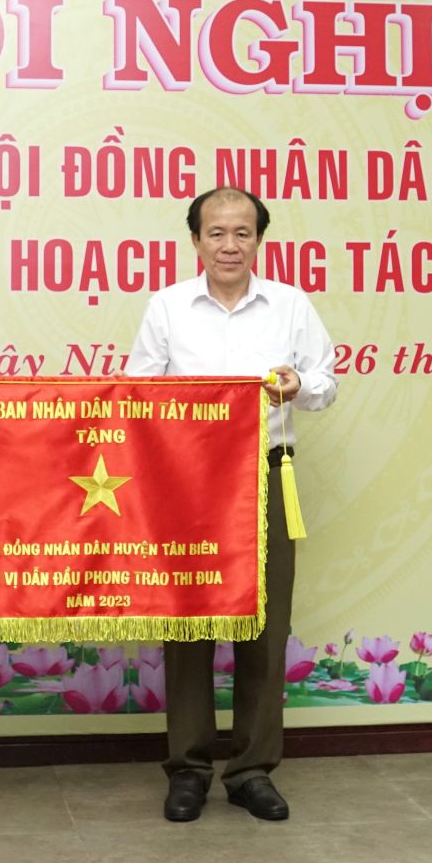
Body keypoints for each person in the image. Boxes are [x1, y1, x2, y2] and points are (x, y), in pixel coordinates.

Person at [126, 186, 336, 823]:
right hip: (187, 486)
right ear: (195, 240)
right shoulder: (167, 307)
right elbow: (137, 391)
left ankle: (251, 771)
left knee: (264, 629)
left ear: (258, 240)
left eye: (242, 233)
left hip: (263, 476)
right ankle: (188, 770)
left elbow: (325, 384)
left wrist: (299, 384)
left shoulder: (291, 306)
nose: (229, 245)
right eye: (216, 233)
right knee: (188, 625)